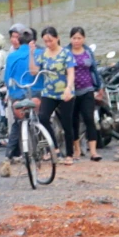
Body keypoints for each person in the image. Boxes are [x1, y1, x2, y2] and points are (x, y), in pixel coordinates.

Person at [29, 27, 75, 164]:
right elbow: (33, 71)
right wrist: (31, 54)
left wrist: (69, 87)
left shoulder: (66, 53)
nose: (48, 43)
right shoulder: (43, 54)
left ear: (57, 38)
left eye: (51, 40)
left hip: (64, 92)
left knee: (67, 122)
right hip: (48, 91)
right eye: (45, 41)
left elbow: (71, 72)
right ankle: (53, 148)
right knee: (43, 117)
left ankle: (69, 154)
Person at [0, 29, 41, 177]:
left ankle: (7, 157)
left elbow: (7, 79)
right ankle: (47, 149)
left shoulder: (11, 56)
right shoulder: (39, 53)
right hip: (36, 94)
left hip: (17, 95)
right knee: (41, 119)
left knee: (17, 123)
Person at [68, 27, 102, 162]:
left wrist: (99, 86)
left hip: (87, 89)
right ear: (70, 39)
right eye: (74, 38)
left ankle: (93, 152)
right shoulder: (66, 53)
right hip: (72, 91)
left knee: (89, 118)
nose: (76, 41)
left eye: (79, 38)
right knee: (73, 120)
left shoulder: (88, 52)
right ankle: (77, 150)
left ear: (84, 39)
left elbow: (94, 69)